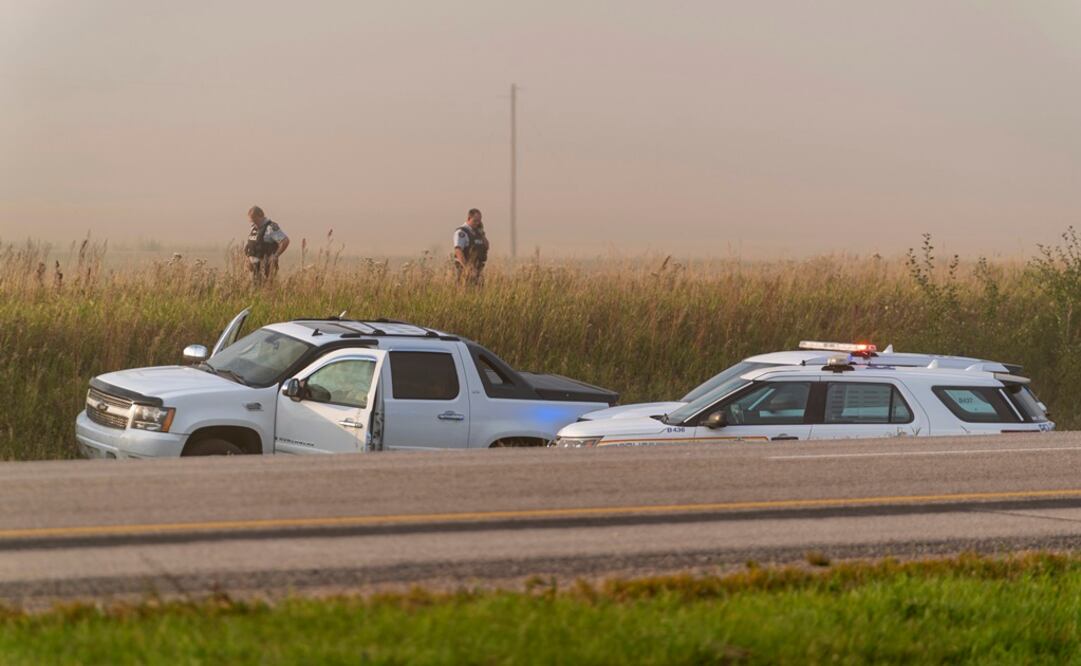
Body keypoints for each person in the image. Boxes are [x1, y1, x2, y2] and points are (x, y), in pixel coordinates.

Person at [244, 206, 289, 284]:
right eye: (251, 221)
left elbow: (285, 241)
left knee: (265, 289)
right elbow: (251, 245)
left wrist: (275, 256)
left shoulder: (271, 227)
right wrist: (248, 259)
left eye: (255, 220)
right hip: (253, 268)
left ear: (261, 216)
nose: (253, 223)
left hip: (266, 267)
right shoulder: (253, 227)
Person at [453, 208, 489, 285]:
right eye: (475, 221)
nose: (477, 223)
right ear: (469, 218)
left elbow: (486, 246)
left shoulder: (478, 232)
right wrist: (467, 268)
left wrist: (482, 233)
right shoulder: (462, 232)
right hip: (465, 271)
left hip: (477, 270)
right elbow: (458, 251)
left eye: (479, 221)